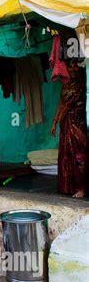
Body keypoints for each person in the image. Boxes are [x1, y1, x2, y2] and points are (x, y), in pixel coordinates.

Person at [50, 61, 87, 198]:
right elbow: (61, 104)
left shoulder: (80, 86)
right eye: (70, 66)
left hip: (77, 123)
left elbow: (66, 106)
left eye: (75, 66)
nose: (72, 69)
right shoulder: (66, 86)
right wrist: (54, 122)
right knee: (67, 155)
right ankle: (69, 187)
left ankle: (82, 188)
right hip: (66, 124)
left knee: (79, 155)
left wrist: (57, 121)